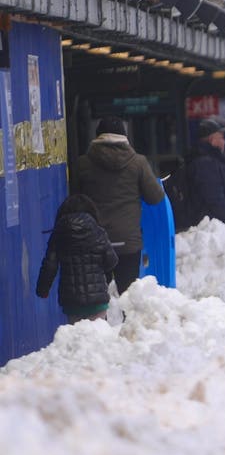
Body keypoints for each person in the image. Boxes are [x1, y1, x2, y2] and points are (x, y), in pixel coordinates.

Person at [75, 116, 165, 294]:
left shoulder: (82, 164)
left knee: (96, 295)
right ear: (124, 136)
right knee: (129, 296)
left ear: (97, 136)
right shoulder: (138, 163)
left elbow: (74, 200)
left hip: (94, 241)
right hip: (128, 242)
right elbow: (155, 197)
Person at [36, 194, 119, 323]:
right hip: (97, 301)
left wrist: (43, 289)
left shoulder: (58, 234)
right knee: (98, 333)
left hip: (72, 303)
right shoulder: (98, 232)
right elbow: (111, 261)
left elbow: (49, 265)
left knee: (76, 334)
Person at [187, 117, 225, 227]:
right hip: (220, 228)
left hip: (224, 227)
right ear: (212, 140)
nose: (224, 142)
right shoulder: (206, 164)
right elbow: (214, 199)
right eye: (221, 137)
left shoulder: (214, 161)